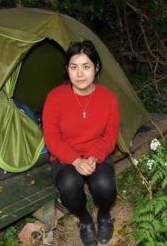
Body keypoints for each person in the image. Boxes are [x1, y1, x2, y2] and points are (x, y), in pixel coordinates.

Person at [42, 40, 120, 246]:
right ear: (66, 69)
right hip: (66, 154)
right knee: (68, 185)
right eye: (73, 67)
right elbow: (51, 137)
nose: (79, 74)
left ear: (96, 68)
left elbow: (110, 136)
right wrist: (75, 160)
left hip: (97, 152)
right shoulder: (55, 97)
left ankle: (104, 215)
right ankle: (84, 219)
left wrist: (94, 156)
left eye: (86, 67)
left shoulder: (109, 98)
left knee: (104, 185)